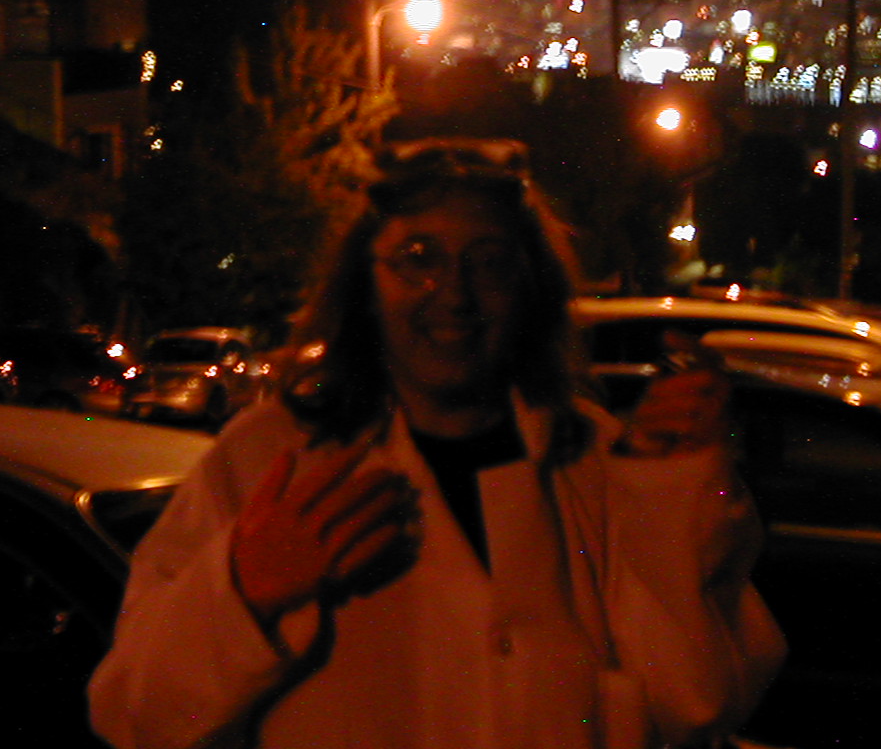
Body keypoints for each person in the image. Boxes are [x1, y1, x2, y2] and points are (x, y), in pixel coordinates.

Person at [88, 138, 784, 749]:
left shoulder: (598, 460)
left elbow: (696, 702)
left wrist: (674, 494)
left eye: (488, 262)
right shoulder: (264, 459)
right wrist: (242, 591)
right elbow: (133, 717)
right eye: (417, 258)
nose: (454, 294)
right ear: (366, 283)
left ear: (529, 286)